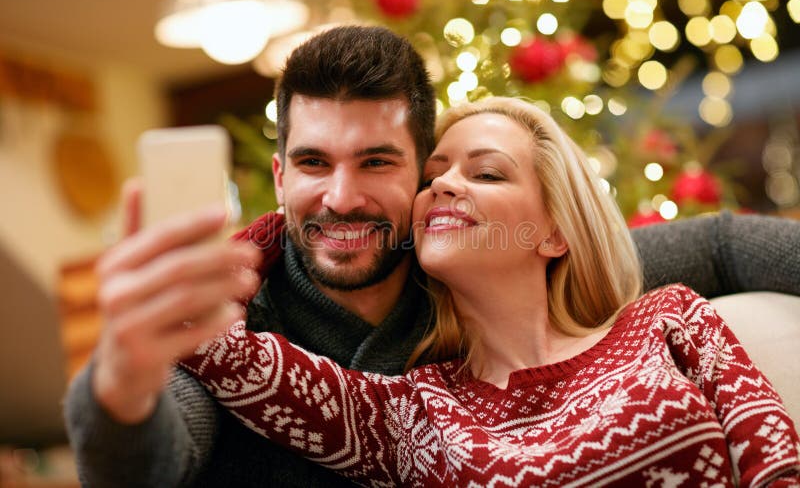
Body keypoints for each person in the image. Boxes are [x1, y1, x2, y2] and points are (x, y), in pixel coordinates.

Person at [64, 26, 800, 487]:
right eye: (314, 163)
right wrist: (123, 374)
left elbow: (720, 244)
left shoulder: (655, 314)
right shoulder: (414, 408)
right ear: (282, 175)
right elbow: (161, 436)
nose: (342, 197)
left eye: (378, 162)